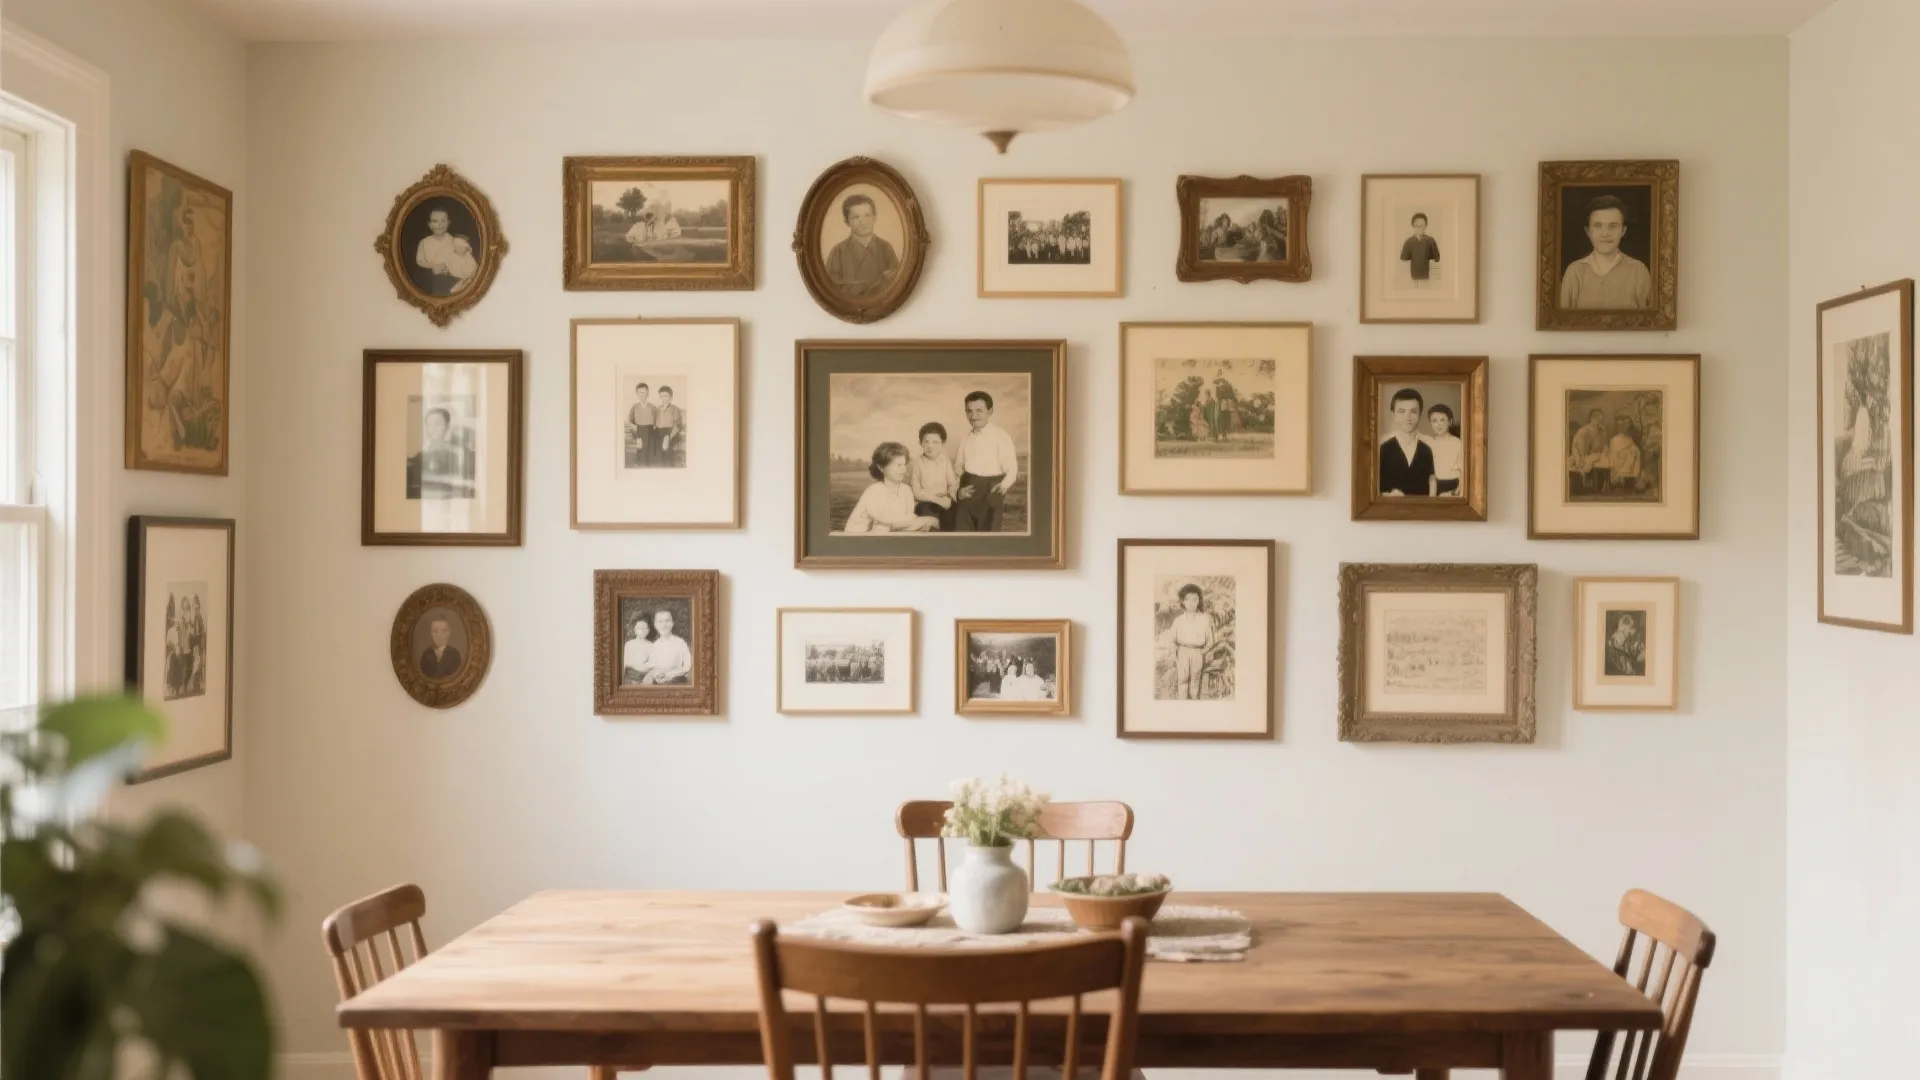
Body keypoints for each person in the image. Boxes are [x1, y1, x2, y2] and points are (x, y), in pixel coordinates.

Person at [1558, 194, 1652, 310]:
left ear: (1623, 230)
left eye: (1613, 226)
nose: (1605, 233)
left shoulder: (1639, 271)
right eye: (1598, 226)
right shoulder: (1574, 272)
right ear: (1588, 231)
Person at [953, 391, 1019, 533]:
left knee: (988, 540)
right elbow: (957, 471)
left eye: (979, 411)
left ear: (990, 411)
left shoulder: (1001, 436)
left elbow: (1012, 470)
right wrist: (957, 492)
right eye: (969, 411)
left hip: (991, 492)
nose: (974, 416)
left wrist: (1001, 488)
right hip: (968, 493)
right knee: (962, 539)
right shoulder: (965, 439)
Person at [845, 442, 940, 534]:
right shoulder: (873, 492)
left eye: (904, 465)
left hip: (890, 531)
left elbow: (907, 519)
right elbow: (886, 521)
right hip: (859, 537)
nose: (903, 469)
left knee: (928, 524)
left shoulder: (906, 490)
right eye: (898, 465)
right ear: (881, 467)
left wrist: (920, 522)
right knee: (881, 528)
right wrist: (921, 521)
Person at [824, 194, 899, 298]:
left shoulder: (886, 248)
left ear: (874, 217)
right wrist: (878, 283)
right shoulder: (838, 252)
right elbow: (831, 288)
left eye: (867, 215)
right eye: (856, 217)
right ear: (847, 221)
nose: (863, 221)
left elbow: (896, 284)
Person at [1378, 388, 1435, 497]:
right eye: (1401, 411)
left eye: (1413, 412)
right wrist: (1386, 495)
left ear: (1420, 415)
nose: (1407, 417)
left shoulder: (1427, 449)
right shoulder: (1383, 449)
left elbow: (1432, 482)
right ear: (1393, 415)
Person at [407, 406, 472, 499]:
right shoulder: (421, 451)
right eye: (429, 424)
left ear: (447, 426)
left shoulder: (457, 451)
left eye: (437, 424)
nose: (433, 428)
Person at [909, 422, 959, 531]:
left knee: (953, 522)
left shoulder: (945, 460)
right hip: (926, 503)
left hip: (944, 501)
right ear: (920, 443)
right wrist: (936, 500)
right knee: (930, 525)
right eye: (926, 442)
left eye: (935, 442)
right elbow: (916, 492)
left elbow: (952, 484)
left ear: (942, 443)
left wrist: (949, 497)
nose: (930, 446)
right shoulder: (917, 462)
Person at [414, 208, 473, 297]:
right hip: (429, 280)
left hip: (452, 279)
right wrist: (434, 266)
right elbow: (420, 261)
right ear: (429, 224)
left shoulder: (454, 241)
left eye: (443, 221)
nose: (439, 225)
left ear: (448, 222)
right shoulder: (424, 242)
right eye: (435, 221)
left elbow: (463, 257)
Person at [1170, 584, 1213, 700]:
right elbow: (1172, 641)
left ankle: (1194, 705)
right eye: (1187, 599)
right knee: (1182, 680)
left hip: (1198, 653)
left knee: (1195, 680)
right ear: (1182, 601)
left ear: (1199, 601)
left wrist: (1202, 652)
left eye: (1195, 599)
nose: (1191, 603)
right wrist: (1174, 654)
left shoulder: (1204, 619)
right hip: (1183, 652)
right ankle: (1182, 704)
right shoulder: (1178, 621)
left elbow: (1210, 640)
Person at [1566, 408, 1610, 496]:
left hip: (1592, 455)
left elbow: (1602, 447)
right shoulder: (1584, 431)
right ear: (1592, 419)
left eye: (1601, 420)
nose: (1600, 423)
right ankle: (1585, 485)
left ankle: (1601, 486)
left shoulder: (1600, 432)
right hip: (1580, 454)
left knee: (1603, 460)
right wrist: (1582, 456)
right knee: (1586, 463)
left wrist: (1604, 434)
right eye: (1598, 420)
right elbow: (1579, 446)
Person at [642, 610, 692, 685]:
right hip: (658, 682)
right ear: (655, 625)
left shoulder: (680, 643)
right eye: (660, 621)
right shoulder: (655, 645)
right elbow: (652, 666)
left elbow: (687, 666)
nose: (664, 625)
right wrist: (655, 675)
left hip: (676, 682)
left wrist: (669, 675)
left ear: (672, 623)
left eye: (667, 621)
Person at [1425, 403, 1463, 497]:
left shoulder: (1458, 443)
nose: (1438, 424)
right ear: (1430, 423)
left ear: (1449, 421)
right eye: (1434, 421)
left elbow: (1463, 473)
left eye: (1442, 420)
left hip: (1454, 487)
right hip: (1433, 487)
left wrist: (1455, 492)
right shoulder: (1429, 444)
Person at [1606, 412, 1643, 494]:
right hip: (1619, 476)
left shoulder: (1632, 439)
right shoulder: (1614, 440)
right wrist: (1616, 474)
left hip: (1631, 474)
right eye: (1621, 422)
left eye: (1626, 422)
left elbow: (1637, 455)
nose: (1623, 425)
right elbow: (1613, 459)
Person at [1400, 212, 1440, 285]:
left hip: (1427, 276)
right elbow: (1403, 259)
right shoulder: (1409, 242)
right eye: (1417, 226)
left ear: (1426, 226)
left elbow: (1436, 259)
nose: (1420, 228)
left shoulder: (1430, 241)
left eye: (1422, 225)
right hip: (1412, 277)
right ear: (1413, 226)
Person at [626, 382, 656, 468]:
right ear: (637, 394)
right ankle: (640, 466)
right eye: (641, 393)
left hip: (650, 431)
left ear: (648, 394)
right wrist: (634, 428)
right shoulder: (634, 407)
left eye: (645, 393)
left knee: (649, 452)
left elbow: (656, 421)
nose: (643, 395)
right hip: (639, 430)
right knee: (640, 449)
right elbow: (630, 421)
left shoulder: (652, 407)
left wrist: (654, 427)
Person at [654, 386, 684, 468]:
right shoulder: (657, 409)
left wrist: (668, 437)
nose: (663, 398)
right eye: (661, 395)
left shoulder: (675, 409)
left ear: (670, 397)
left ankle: (669, 468)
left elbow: (677, 426)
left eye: (666, 395)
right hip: (659, 432)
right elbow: (655, 425)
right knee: (656, 451)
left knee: (667, 448)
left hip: (671, 432)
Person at [622, 618, 654, 684]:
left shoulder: (651, 645)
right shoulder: (629, 644)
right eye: (641, 628)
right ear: (635, 630)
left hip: (643, 677)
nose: (644, 631)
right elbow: (624, 663)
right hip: (628, 677)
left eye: (646, 628)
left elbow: (651, 665)